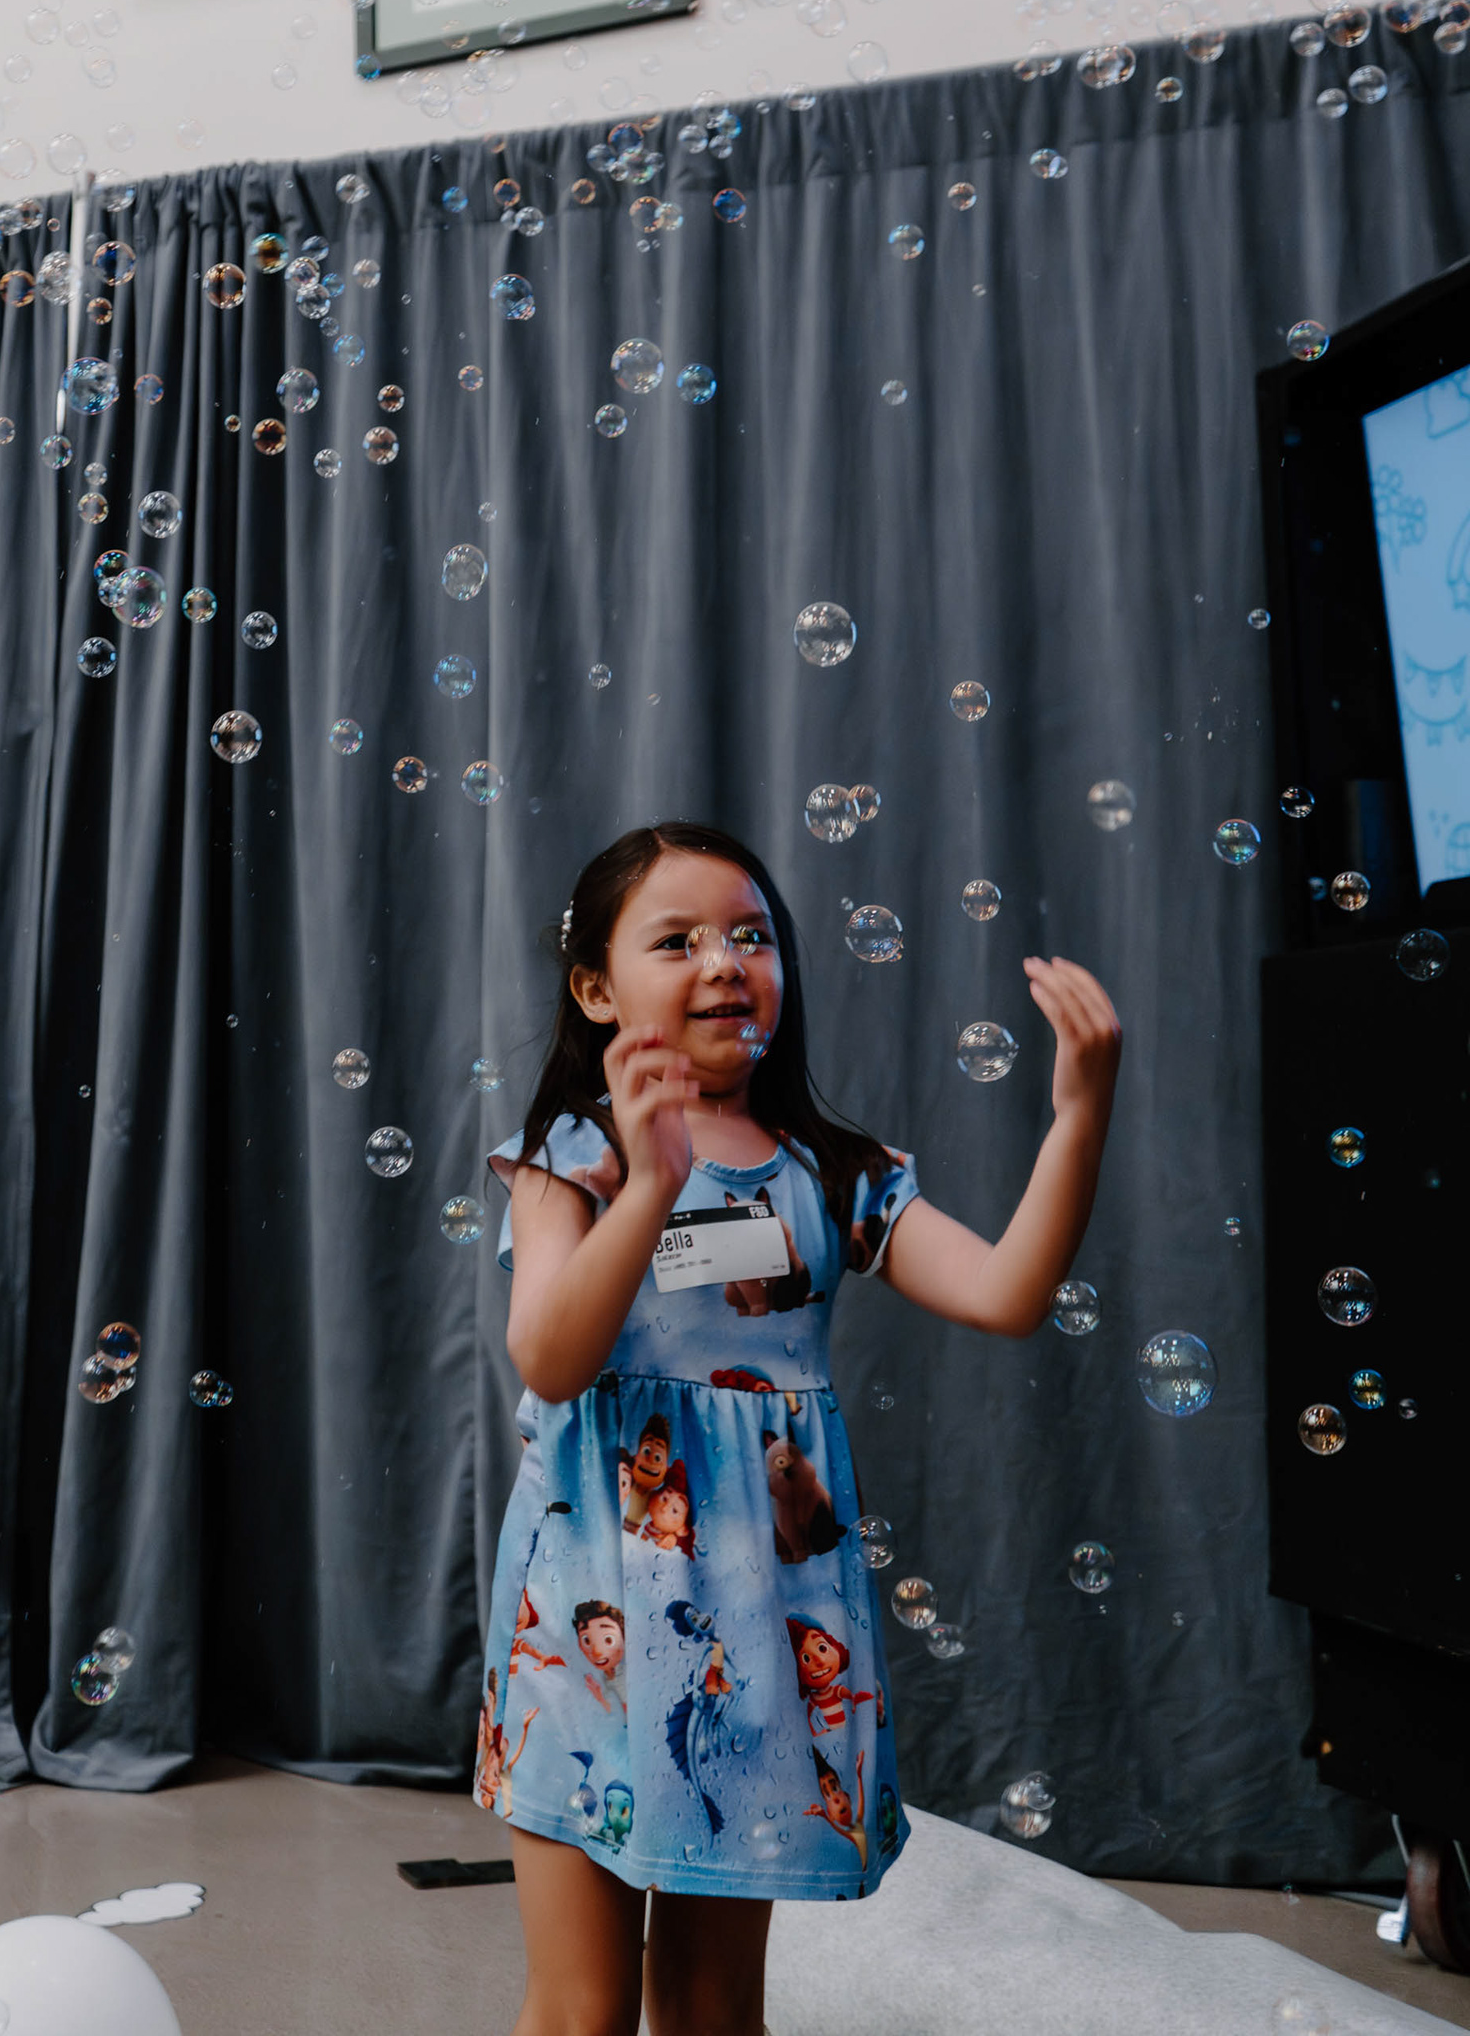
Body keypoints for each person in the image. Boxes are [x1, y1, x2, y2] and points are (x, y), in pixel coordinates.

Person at [477, 820, 1122, 2036]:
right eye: (678, 940)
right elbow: (553, 1357)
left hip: (758, 1629)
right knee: (581, 2007)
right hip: (589, 1620)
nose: (726, 962)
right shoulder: (576, 1154)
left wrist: (1079, 1113)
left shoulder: (832, 1171)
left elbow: (1007, 1293)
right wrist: (653, 1182)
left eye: (751, 936)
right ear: (596, 990)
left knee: (715, 2006)